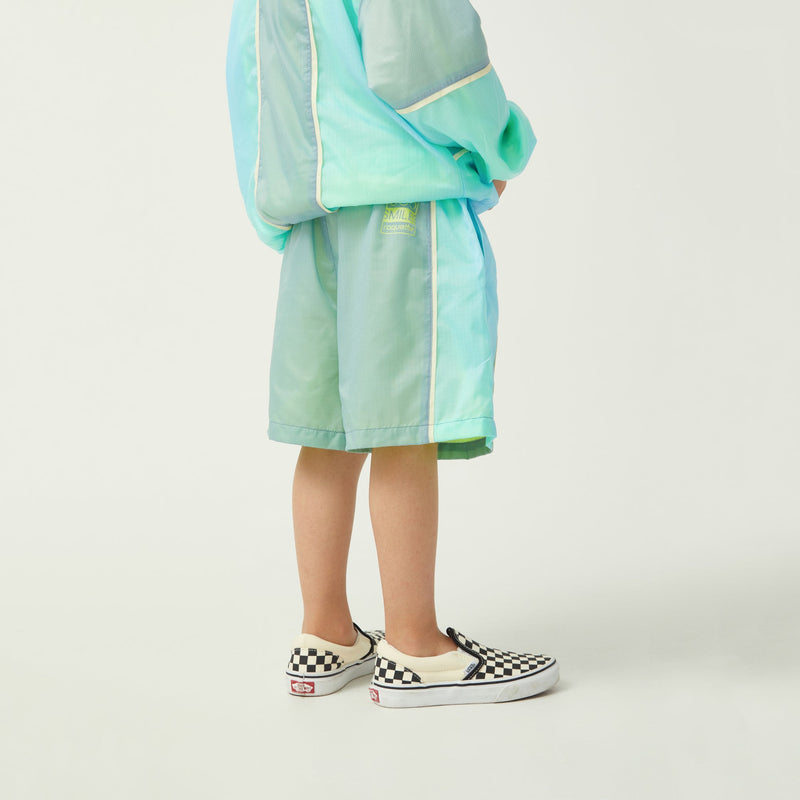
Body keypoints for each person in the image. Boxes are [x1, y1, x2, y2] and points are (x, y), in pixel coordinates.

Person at [225, 0, 559, 708]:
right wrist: (497, 144)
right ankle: (415, 647)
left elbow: (251, 75)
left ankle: (325, 634)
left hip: (316, 214)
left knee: (328, 432)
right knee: (403, 425)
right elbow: (421, 48)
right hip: (400, 196)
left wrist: (274, 207)